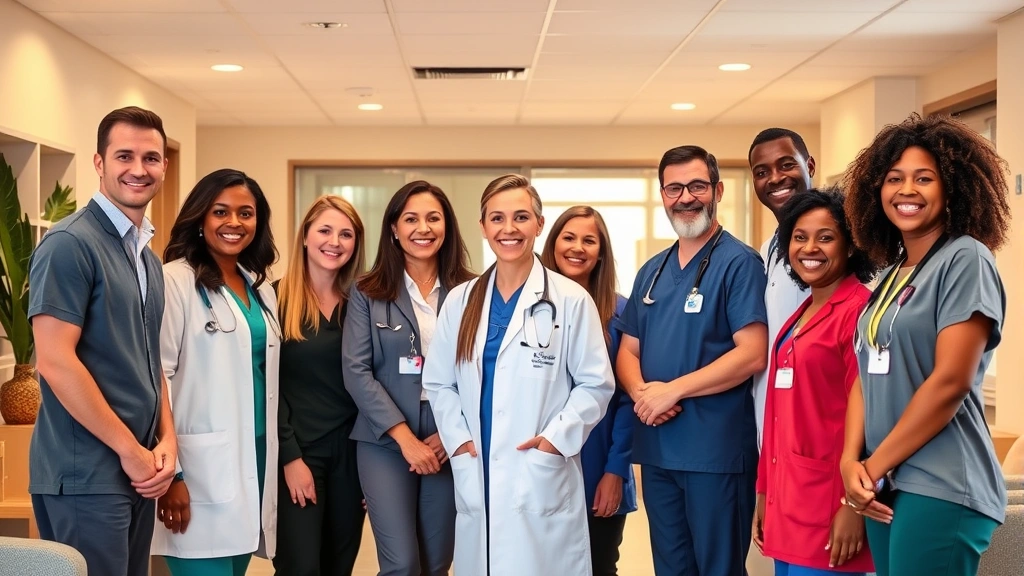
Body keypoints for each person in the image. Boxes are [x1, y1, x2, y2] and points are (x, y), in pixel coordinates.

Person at [841, 114, 1011, 576]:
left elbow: (950, 382)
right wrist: (850, 461)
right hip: (886, 482)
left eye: (924, 178)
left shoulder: (966, 258)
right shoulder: (892, 274)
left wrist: (874, 465)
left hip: (941, 480)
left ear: (952, 188)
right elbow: (866, 374)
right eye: (894, 178)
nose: (906, 190)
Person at [422, 174, 614, 575]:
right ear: (483, 227)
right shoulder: (461, 301)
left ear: (539, 224)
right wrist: (458, 440)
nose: (508, 229)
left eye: (521, 217)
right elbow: (439, 382)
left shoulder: (571, 300)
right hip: (476, 462)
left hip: (538, 467)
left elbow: (596, 384)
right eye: (497, 218)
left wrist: (555, 440)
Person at [27, 106, 177, 576]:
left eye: (150, 158)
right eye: (124, 156)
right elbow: (55, 362)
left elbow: (149, 361)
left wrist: (167, 440)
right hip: (87, 473)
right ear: (99, 162)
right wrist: (131, 451)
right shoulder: (70, 244)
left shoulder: (147, 258)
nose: (139, 169)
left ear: (164, 167)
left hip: (138, 470)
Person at [616, 145, 768, 576]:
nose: (686, 197)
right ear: (663, 194)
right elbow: (628, 350)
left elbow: (753, 352)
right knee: (670, 568)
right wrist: (642, 394)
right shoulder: (652, 270)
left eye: (697, 186)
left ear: (717, 191)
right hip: (659, 452)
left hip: (715, 453)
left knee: (718, 568)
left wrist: (672, 392)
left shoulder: (739, 263)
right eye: (674, 188)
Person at [342, 181, 475, 576]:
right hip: (384, 438)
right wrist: (405, 439)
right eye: (411, 219)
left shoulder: (472, 291)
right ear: (394, 228)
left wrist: (451, 434)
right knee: (401, 564)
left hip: (447, 435)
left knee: (436, 563)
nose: (423, 228)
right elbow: (356, 370)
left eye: (433, 218)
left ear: (447, 226)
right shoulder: (367, 291)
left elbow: (482, 370)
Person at [153, 168, 281, 576]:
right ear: (200, 218)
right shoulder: (174, 280)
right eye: (220, 211)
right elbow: (156, 377)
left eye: (246, 213)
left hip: (254, 458)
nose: (234, 222)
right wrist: (171, 474)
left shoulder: (259, 288)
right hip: (196, 469)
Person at [752, 188, 876, 576]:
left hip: (830, 508)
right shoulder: (802, 313)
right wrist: (763, 493)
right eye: (799, 237)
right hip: (787, 504)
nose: (810, 248)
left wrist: (853, 506)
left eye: (825, 237)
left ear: (851, 245)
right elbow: (776, 416)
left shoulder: (859, 312)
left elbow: (872, 417)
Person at [540, 206, 637, 576]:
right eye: (568, 237)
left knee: (598, 566)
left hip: (599, 467)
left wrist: (615, 471)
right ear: (553, 244)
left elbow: (628, 399)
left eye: (589, 240)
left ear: (601, 253)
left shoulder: (622, 312)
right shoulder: (528, 309)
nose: (577, 247)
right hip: (540, 464)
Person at [274, 195, 368, 576]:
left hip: (353, 455)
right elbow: (266, 387)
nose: (335, 242)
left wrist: (376, 468)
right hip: (300, 451)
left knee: (338, 566)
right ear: (305, 236)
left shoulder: (362, 305)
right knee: (299, 567)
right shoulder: (275, 299)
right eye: (325, 230)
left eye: (346, 234)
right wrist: (289, 457)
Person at [748, 128, 815, 448]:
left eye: (786, 165)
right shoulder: (768, 248)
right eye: (762, 172)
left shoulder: (843, 243)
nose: (775, 178)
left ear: (809, 166)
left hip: (815, 421)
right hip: (771, 421)